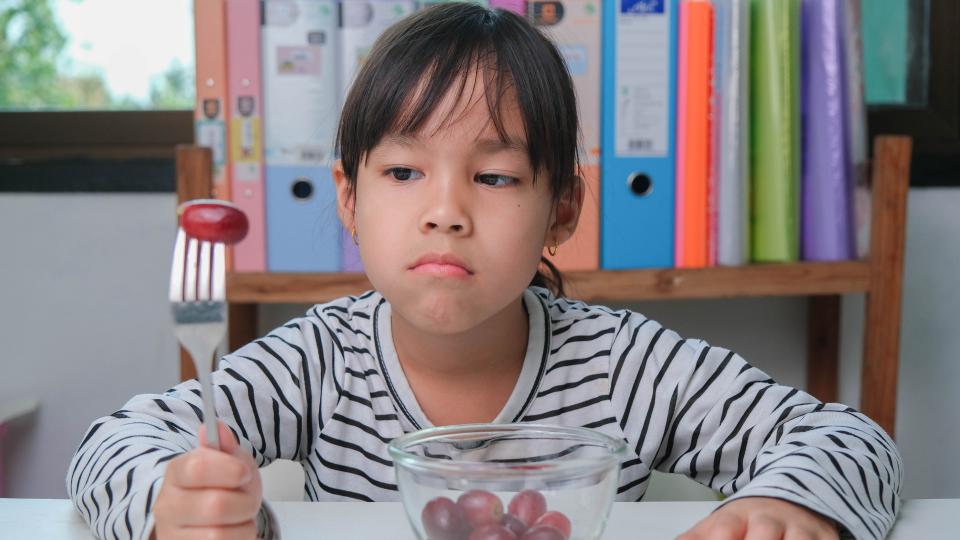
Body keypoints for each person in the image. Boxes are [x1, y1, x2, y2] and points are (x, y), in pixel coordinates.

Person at [67, 4, 901, 539]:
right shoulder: (318, 360)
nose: (446, 211)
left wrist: (790, 507)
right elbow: (110, 444)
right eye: (403, 173)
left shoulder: (626, 365)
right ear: (349, 201)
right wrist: (167, 507)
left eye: (495, 177)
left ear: (562, 211)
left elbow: (850, 439)